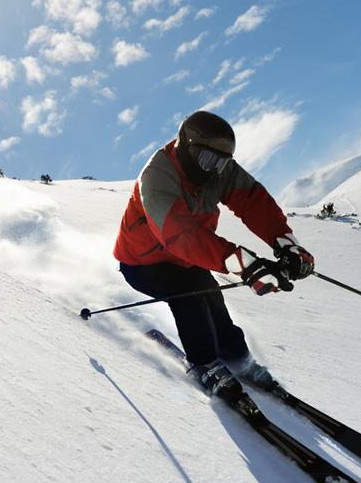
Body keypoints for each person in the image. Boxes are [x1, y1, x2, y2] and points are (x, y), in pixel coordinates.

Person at [113, 110, 314, 397]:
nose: (212, 169)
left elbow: (252, 201)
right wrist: (243, 263)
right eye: (207, 160)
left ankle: (237, 357)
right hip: (143, 262)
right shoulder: (157, 176)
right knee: (190, 292)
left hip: (189, 258)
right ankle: (203, 362)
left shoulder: (218, 170)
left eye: (221, 162)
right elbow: (178, 234)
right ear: (185, 146)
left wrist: (286, 243)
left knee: (211, 294)